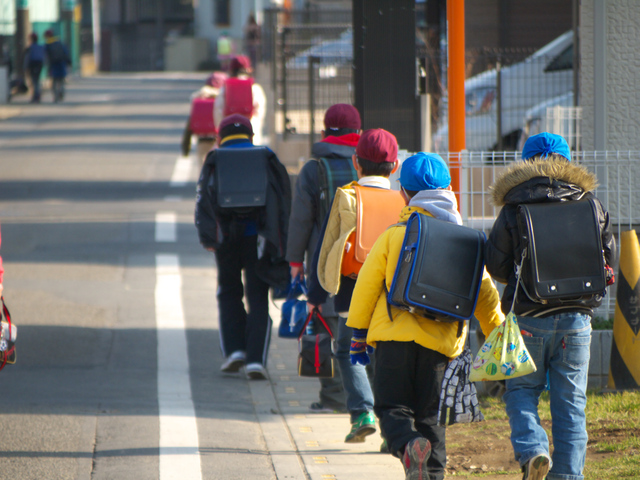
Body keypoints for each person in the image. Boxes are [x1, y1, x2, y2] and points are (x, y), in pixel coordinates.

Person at [345, 152, 504, 480]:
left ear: (404, 193)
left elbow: (366, 287)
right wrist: (497, 335)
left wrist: (358, 335)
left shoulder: (394, 234)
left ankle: (408, 443)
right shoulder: (469, 241)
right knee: (432, 419)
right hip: (441, 348)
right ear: (448, 190)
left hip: (393, 340)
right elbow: (486, 296)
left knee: (392, 409)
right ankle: (431, 473)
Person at [485, 133, 617, 480]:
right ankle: (568, 476)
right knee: (571, 403)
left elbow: (496, 266)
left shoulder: (513, 207)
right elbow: (609, 260)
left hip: (529, 317)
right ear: (567, 160)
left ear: (526, 162)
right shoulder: (591, 204)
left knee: (520, 390)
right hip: (577, 320)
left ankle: (533, 451)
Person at [307, 128, 400, 444]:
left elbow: (326, 247)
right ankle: (392, 429)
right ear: (396, 165)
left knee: (348, 350)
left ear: (356, 162)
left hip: (351, 292)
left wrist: (317, 295)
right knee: (386, 358)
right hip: (391, 295)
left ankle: (362, 412)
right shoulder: (403, 201)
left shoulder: (347, 196)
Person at [194, 114, 291, 380]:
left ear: (220, 137)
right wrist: (281, 243)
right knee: (258, 296)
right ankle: (255, 360)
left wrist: (208, 239)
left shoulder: (215, 158)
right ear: (251, 136)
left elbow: (204, 200)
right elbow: (282, 200)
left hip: (225, 239)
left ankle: (235, 350)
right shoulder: (266, 156)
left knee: (228, 291)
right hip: (259, 240)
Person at [286, 103, 363, 413]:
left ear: (323, 133)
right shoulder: (368, 167)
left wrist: (295, 262)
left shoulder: (314, 169)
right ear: (358, 133)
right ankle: (362, 397)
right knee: (362, 333)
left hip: (326, 265)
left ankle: (333, 398)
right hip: (367, 262)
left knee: (327, 328)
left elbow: (300, 220)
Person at [214, 55, 267, 146]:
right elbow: (260, 112)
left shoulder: (224, 88)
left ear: (231, 70)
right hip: (250, 134)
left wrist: (221, 129)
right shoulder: (255, 88)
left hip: (228, 135)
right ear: (248, 69)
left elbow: (218, 111)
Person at [181, 71, 228, 161]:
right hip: (220, 139)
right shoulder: (223, 98)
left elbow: (190, 123)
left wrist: (185, 147)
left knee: (204, 169)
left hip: (203, 140)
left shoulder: (200, 97)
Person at [43, 29, 71, 103]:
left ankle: (56, 96)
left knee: (54, 82)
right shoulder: (59, 42)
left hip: (53, 64)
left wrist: (47, 65)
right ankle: (61, 92)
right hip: (61, 63)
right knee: (61, 81)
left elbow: (46, 56)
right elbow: (66, 52)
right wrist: (68, 62)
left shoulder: (48, 44)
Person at [23, 33, 45, 103]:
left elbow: (27, 58)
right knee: (37, 80)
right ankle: (37, 95)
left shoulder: (30, 48)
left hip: (33, 65)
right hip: (39, 65)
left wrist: (25, 67)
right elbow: (44, 57)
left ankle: (36, 96)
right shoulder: (40, 47)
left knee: (34, 81)